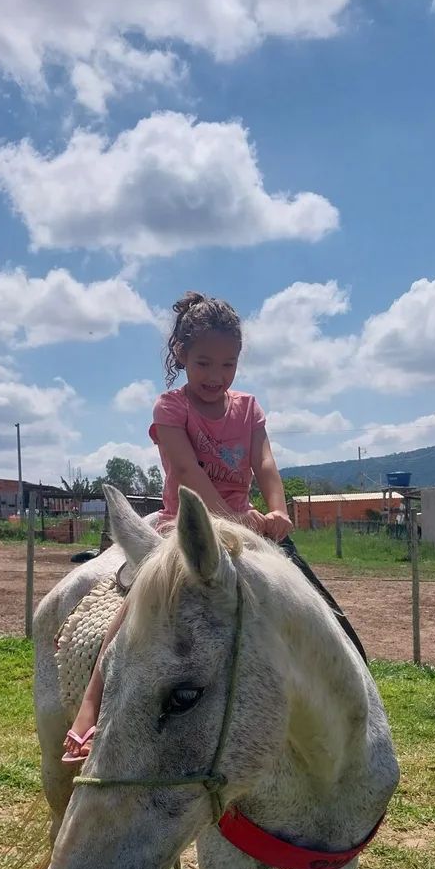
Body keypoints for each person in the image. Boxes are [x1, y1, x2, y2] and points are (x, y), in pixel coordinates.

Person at [62, 292, 365, 763]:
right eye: (203, 363)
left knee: (313, 599)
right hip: (185, 528)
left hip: (248, 528)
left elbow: (265, 463)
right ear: (181, 354)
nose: (215, 376)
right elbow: (187, 471)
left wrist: (278, 511)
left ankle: (348, 680)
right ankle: (91, 702)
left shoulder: (248, 409)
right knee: (140, 601)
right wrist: (228, 516)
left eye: (228, 364)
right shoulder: (171, 409)